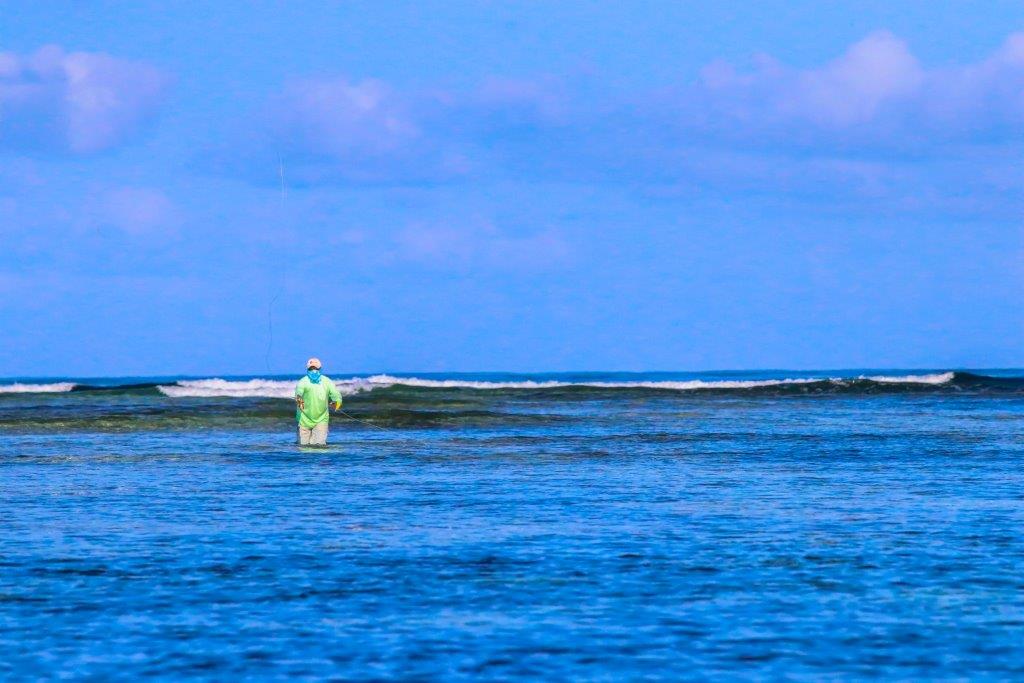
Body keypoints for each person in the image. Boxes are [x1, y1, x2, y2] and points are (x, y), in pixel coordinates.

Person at [294, 357, 342, 446]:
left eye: (316, 368)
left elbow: (336, 395)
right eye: (311, 369)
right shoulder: (303, 382)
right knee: (303, 448)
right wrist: (299, 399)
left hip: (322, 419)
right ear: (307, 369)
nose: (314, 370)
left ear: (320, 369)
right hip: (303, 419)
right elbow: (298, 393)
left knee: (319, 447)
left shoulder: (327, 381)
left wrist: (337, 402)